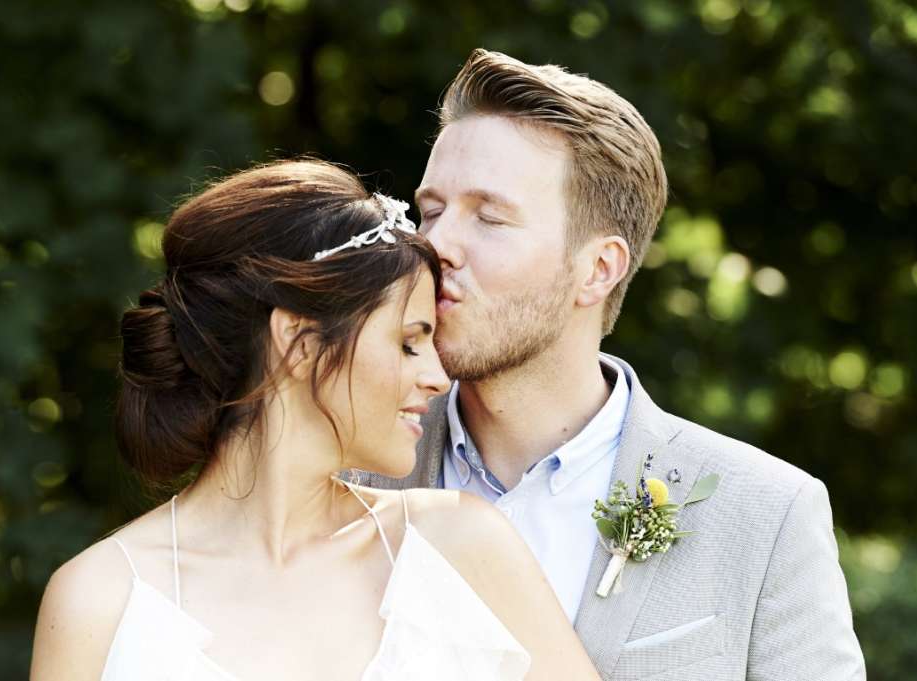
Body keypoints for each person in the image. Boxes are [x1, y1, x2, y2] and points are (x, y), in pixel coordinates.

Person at [361, 49, 867, 680]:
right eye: (431, 211)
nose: (434, 247)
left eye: (489, 217)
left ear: (598, 270)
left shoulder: (765, 515)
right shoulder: (343, 476)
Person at [29, 160, 602, 681]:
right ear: (299, 342)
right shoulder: (99, 602)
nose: (438, 377)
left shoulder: (461, 548)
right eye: (407, 344)